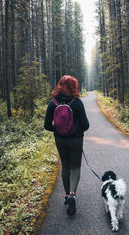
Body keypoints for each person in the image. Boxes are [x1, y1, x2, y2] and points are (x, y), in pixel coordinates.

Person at [44, 75, 89, 216]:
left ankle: (66, 194)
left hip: (60, 139)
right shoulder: (77, 103)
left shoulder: (53, 103)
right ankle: (72, 195)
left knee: (65, 165)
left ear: (59, 86)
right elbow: (86, 125)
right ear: (74, 86)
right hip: (75, 139)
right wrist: (77, 131)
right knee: (75, 166)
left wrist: (57, 130)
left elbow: (46, 125)